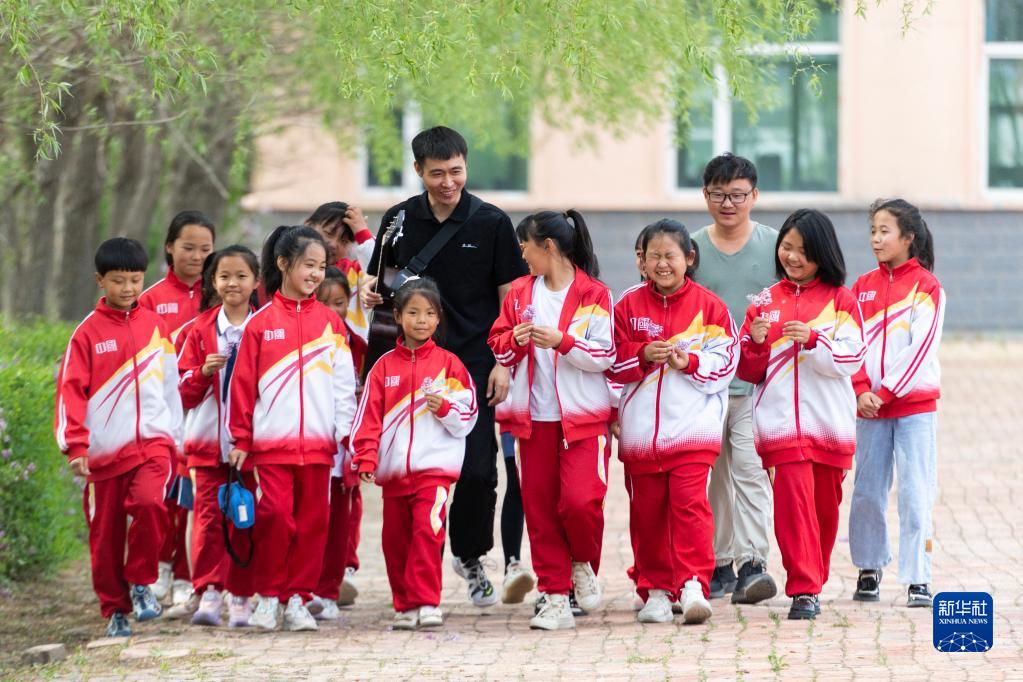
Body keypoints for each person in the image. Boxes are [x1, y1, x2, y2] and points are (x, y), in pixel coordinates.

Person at [362, 126, 527, 606]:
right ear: (418, 170)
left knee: (477, 470)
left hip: (473, 364)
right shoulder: (398, 221)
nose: (448, 182)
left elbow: (510, 300)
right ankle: (417, 582)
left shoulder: (491, 222)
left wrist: (503, 362)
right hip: (411, 365)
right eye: (437, 173)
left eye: (456, 171)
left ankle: (470, 555)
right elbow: (382, 285)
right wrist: (370, 292)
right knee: (414, 475)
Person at [226, 225, 357, 632]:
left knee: (313, 525)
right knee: (275, 518)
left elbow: (344, 386)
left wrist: (345, 435)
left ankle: (298, 598)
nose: (316, 274)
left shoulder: (332, 325)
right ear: (283, 264)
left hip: (319, 448)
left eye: (321, 266)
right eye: (308, 265)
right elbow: (242, 386)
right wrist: (240, 438)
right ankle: (268, 598)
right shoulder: (259, 324)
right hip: (270, 447)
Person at [736, 209, 866, 620]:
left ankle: (813, 578)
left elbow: (851, 357)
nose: (791, 257)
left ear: (822, 254)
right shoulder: (763, 302)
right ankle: (804, 588)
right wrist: (756, 344)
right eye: (786, 247)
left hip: (829, 425)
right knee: (793, 507)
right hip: (778, 427)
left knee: (824, 509)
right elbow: (747, 371)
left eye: (802, 251)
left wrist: (814, 339)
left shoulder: (841, 301)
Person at [488, 210, 614, 630]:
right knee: (540, 512)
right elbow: (498, 344)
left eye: (525, 246)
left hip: (582, 419)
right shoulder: (520, 293)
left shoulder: (594, 294)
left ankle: (582, 562)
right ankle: (555, 596)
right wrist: (513, 340)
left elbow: (605, 355)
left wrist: (564, 342)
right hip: (533, 419)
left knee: (580, 503)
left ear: (549, 246)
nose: (521, 255)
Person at [54, 237, 183, 637]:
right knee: (105, 536)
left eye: (135, 280)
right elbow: (70, 392)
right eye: (118, 280)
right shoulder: (86, 334)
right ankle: (114, 609)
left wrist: (176, 437)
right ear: (100, 280)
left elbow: (170, 387)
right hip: (104, 454)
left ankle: (141, 582)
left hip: (154, 444)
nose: (128, 288)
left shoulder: (156, 326)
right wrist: (76, 445)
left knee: (150, 504)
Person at [609, 219, 736, 625]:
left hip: (692, 429)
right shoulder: (627, 305)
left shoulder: (710, 306)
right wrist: (642, 355)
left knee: (690, 508)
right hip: (641, 434)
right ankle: (656, 591)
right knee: (647, 515)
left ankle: (694, 584)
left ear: (689, 258)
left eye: (671, 256)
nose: (662, 264)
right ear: (641, 260)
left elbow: (726, 363)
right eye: (654, 256)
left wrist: (690, 362)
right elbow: (609, 362)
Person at [352, 278, 479, 630]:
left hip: (434, 472)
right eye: (413, 313)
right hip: (393, 475)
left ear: (439, 318)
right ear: (397, 316)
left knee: (427, 532)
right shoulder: (382, 367)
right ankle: (405, 604)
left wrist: (445, 408)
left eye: (429, 313)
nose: (422, 320)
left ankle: (427, 602)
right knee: (395, 542)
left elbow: (468, 415)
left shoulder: (450, 365)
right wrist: (366, 457)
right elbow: (367, 418)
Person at [691, 153, 780, 604]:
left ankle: (753, 564)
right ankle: (717, 561)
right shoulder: (688, 248)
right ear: (705, 195)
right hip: (702, 388)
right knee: (712, 478)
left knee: (749, 471)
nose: (728, 204)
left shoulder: (776, 246)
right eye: (719, 194)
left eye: (738, 195)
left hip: (755, 385)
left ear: (754, 195)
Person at [849, 199, 945, 608]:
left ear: (908, 237)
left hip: (914, 409)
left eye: (884, 231)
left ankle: (918, 578)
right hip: (869, 408)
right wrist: (860, 390)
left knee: (915, 492)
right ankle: (869, 568)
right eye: (873, 230)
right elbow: (850, 342)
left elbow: (920, 350)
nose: (876, 238)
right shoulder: (861, 287)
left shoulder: (927, 288)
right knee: (867, 491)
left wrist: (884, 392)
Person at [177, 245, 260, 627]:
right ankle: (209, 590)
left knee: (244, 517)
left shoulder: (264, 327)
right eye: (225, 276)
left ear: (256, 281)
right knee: (208, 519)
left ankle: (241, 594)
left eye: (241, 276)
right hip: (208, 444)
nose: (233, 283)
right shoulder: (198, 330)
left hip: (252, 447)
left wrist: (248, 439)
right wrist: (202, 374)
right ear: (212, 281)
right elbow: (180, 392)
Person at [139, 210, 216, 608]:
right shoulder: (150, 300)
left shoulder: (219, 294)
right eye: (188, 247)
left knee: (193, 498)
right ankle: (161, 567)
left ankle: (187, 575)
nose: (197, 256)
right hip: (163, 413)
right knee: (161, 497)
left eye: (205, 249)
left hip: (205, 413)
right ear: (169, 247)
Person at [310, 267, 366, 617]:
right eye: (325, 302)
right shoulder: (304, 341)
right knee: (312, 519)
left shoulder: (360, 344)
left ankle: (329, 590)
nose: (333, 310)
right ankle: (304, 587)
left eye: (340, 302)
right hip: (311, 440)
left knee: (339, 521)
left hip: (345, 446)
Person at [306, 201, 376, 343]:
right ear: (309, 226)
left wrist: (362, 233)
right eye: (328, 233)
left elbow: (380, 268)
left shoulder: (355, 273)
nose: (333, 244)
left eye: (344, 241)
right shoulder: (293, 269)